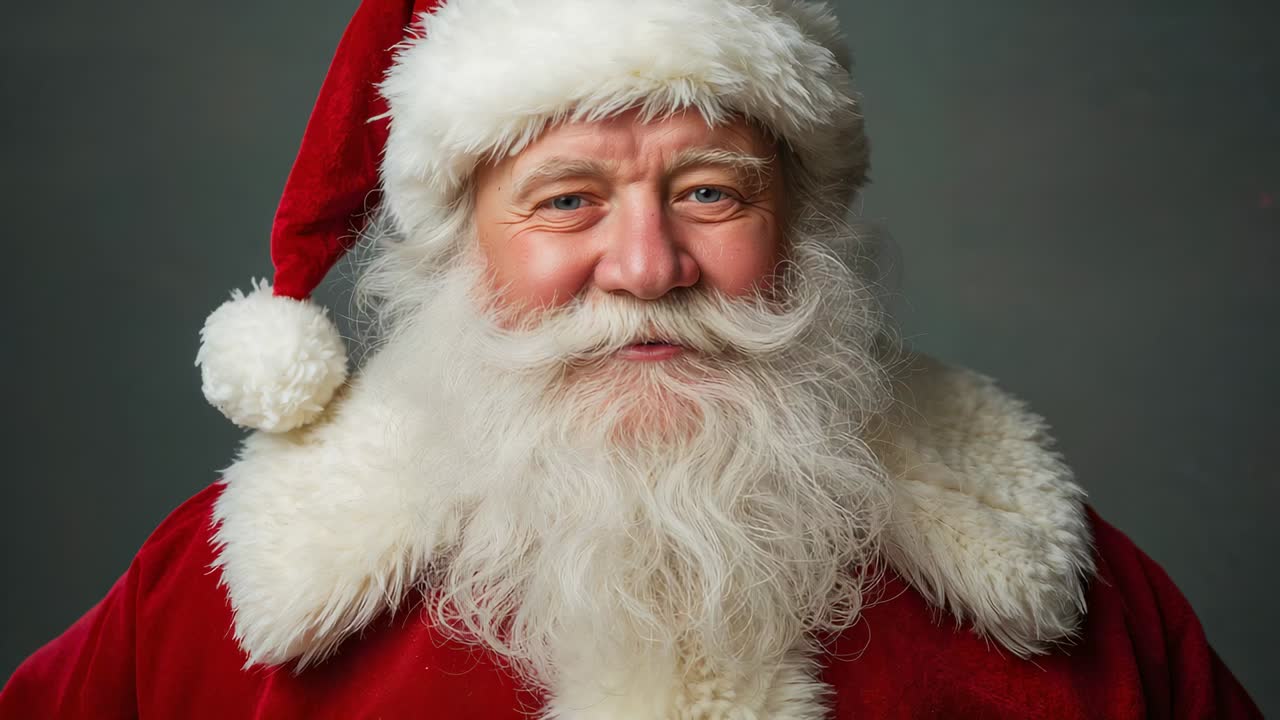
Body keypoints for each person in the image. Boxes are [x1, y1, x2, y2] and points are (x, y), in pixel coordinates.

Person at [0, 0, 1262, 717]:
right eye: (563, 203)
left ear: (800, 227)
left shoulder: (1056, 582)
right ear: (453, 254)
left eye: (710, 193)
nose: (648, 267)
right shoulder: (214, 603)